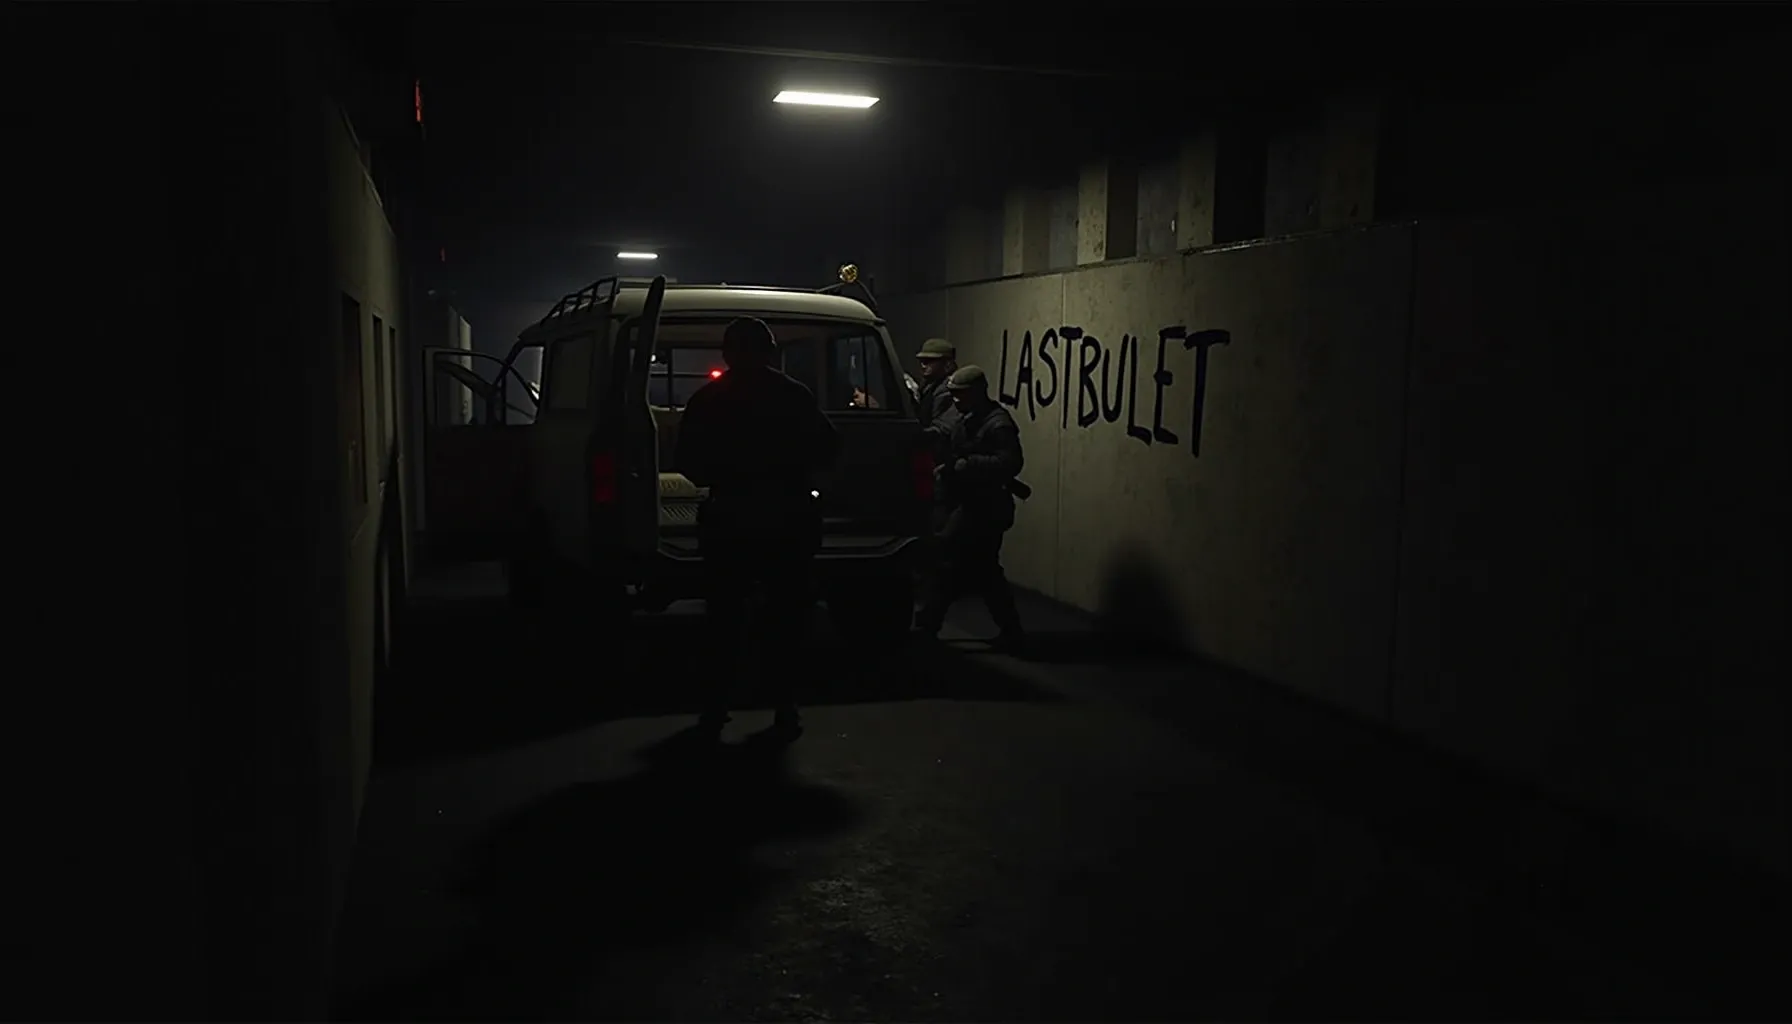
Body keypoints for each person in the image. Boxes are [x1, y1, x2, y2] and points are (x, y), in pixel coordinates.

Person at [675, 317, 840, 742]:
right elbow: (828, 448)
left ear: (727, 353)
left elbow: (688, 462)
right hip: (787, 520)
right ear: (770, 351)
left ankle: (717, 706)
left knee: (724, 619)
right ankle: (784, 705)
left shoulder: (708, 399)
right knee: (787, 618)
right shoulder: (794, 395)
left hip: (730, 520)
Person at [913, 365, 1025, 650]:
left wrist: (967, 465)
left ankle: (930, 623)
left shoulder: (997, 423)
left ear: (976, 393)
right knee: (976, 569)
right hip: (970, 503)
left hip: (985, 506)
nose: (955, 400)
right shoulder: (968, 417)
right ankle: (1011, 632)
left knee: (953, 562)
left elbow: (1010, 462)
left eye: (960, 394)